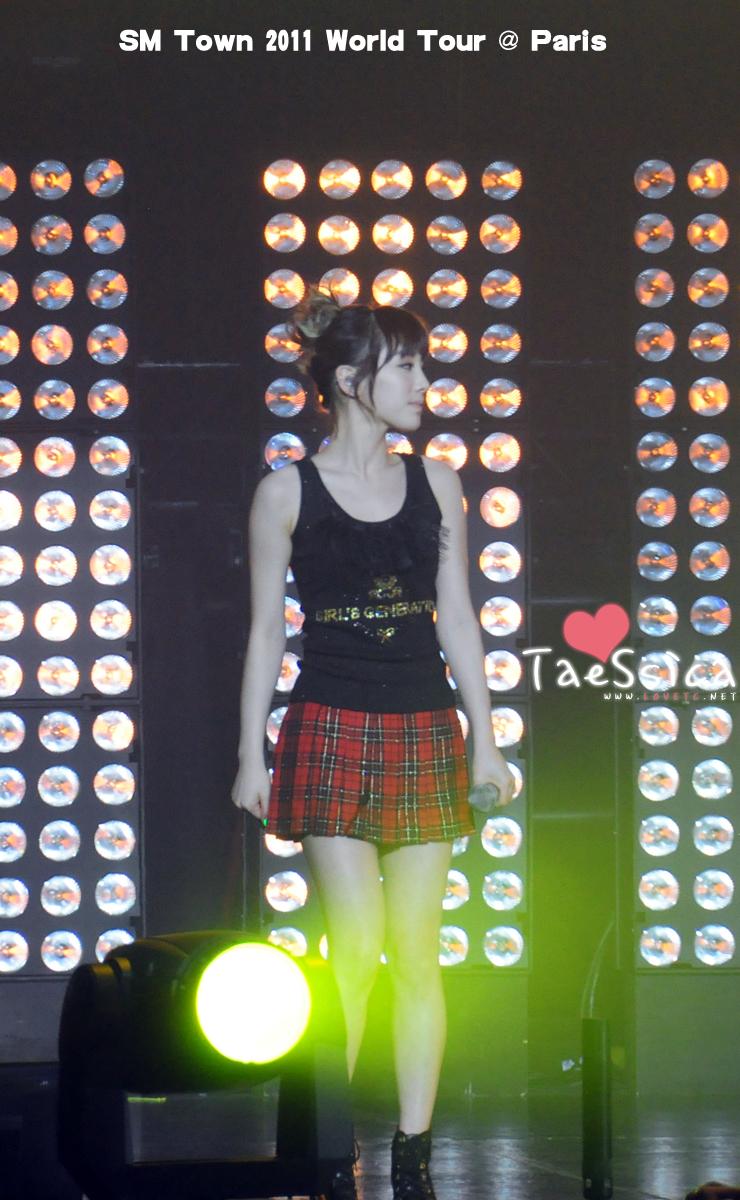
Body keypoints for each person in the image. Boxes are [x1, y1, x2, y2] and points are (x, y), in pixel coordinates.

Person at [232, 291, 516, 1200]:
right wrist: (250, 754)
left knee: (418, 950)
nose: (425, 384)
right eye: (407, 367)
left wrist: (486, 741)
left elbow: (458, 618)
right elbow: (266, 632)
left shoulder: (437, 482)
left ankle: (414, 1152)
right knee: (353, 949)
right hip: (328, 727)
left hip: (424, 723)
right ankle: (326, 1146)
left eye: (422, 366)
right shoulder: (286, 491)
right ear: (353, 382)